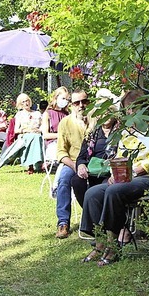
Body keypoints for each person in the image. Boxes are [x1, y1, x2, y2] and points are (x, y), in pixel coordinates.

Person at [79, 129, 149, 266]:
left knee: (113, 191)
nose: (130, 111)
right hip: (125, 177)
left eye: (132, 107)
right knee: (92, 194)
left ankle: (113, 246)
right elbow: (119, 157)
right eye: (127, 107)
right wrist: (115, 174)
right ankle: (100, 243)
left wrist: (130, 173)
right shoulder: (125, 132)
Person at [54, 89, 93, 239]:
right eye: (77, 103)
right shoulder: (65, 123)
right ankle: (63, 222)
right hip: (73, 162)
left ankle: (94, 216)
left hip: (94, 162)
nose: (81, 105)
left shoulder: (96, 119)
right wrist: (76, 166)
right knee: (63, 180)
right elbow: (61, 152)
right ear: (71, 105)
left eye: (85, 102)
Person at [41, 87, 70, 166]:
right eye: (63, 98)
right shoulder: (47, 113)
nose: (65, 101)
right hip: (53, 142)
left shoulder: (67, 114)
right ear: (56, 97)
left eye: (67, 99)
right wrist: (60, 135)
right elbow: (45, 135)